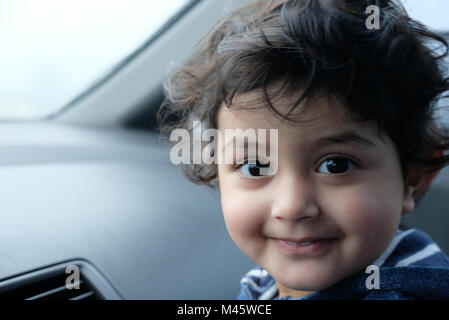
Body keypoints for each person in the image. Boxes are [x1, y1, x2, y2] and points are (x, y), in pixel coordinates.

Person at [157, 0, 449, 299]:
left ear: (413, 179)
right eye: (254, 167)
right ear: (217, 173)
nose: (291, 207)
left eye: (336, 165)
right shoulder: (264, 284)